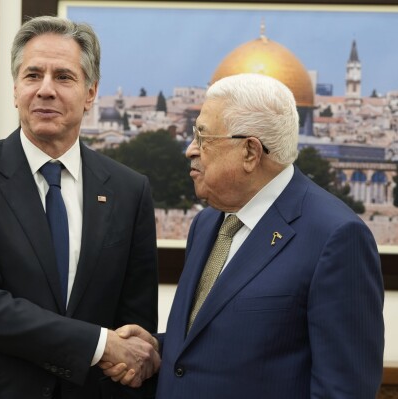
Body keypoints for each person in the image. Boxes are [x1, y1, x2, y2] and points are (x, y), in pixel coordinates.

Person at [0, 16, 160, 399]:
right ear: (15, 89)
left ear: (91, 92)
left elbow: (135, 321)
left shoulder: (130, 191)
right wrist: (100, 344)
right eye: (33, 75)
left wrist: (135, 352)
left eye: (63, 77)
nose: (45, 90)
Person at [103, 73, 384, 398]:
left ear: (251, 151)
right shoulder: (207, 224)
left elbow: (344, 390)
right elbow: (222, 344)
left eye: (203, 137)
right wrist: (156, 349)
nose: (190, 150)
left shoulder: (336, 238)